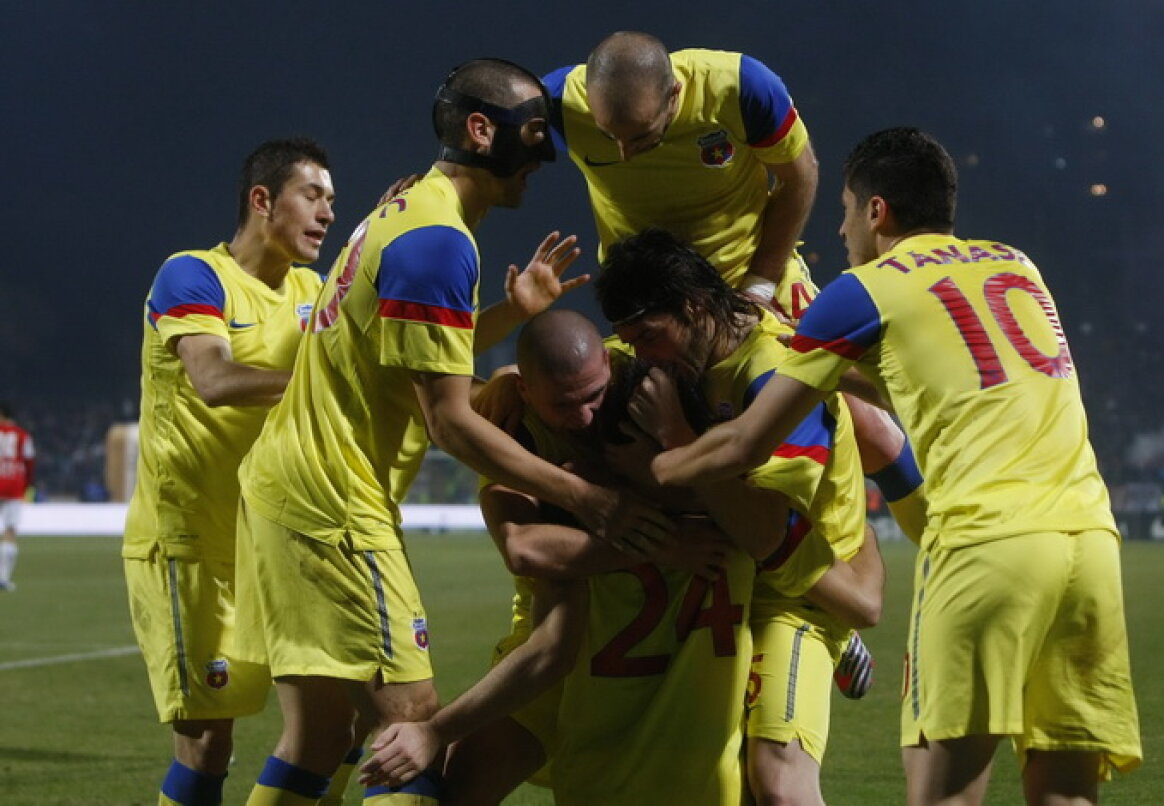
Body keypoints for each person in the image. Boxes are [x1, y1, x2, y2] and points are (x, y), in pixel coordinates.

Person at [643, 128, 1142, 805]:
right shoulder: (1016, 264)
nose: (841, 227)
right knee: (1066, 793)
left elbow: (745, 446)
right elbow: (919, 383)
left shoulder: (860, 291)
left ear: (876, 211)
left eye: (846, 209)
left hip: (985, 542)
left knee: (943, 796)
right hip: (1091, 543)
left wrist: (664, 460)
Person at [233, 60, 670, 806]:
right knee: (412, 725)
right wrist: (588, 498)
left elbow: (414, 356)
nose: (544, 155)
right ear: (480, 130)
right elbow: (450, 422)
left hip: (291, 486)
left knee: (320, 736)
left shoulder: (408, 212)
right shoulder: (438, 242)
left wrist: (513, 314)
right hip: (333, 504)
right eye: (533, 134)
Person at [361, 309, 879, 804]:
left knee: (774, 784)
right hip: (575, 641)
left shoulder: (659, 391)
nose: (583, 416)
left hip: (687, 642)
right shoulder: (517, 429)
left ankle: (831, 628)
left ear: (609, 363)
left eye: (592, 396)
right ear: (527, 392)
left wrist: (665, 462)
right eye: (563, 405)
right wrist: (659, 540)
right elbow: (524, 549)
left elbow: (750, 507)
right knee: (462, 786)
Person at [544, 28, 927, 554]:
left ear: (674, 95)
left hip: (752, 281)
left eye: (642, 136)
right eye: (610, 137)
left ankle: (945, 545)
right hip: (652, 302)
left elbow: (800, 177)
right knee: (623, 425)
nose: (625, 154)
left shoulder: (741, 89)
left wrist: (760, 284)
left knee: (869, 426)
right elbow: (482, 134)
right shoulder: (556, 103)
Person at [597, 229, 885, 806]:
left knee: (777, 782)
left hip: (794, 591)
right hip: (725, 578)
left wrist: (676, 441)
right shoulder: (670, 354)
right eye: (633, 341)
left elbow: (767, 530)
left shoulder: (777, 373)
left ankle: (835, 634)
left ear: (693, 307)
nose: (643, 355)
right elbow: (574, 363)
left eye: (649, 336)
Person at [120, 137, 336, 806]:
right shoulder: (193, 275)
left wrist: (508, 313)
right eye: (313, 195)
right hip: (192, 545)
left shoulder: (311, 290)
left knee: (338, 717)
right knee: (208, 742)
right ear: (262, 199)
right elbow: (213, 379)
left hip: (273, 543)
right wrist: (319, 381)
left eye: (333, 201)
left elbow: (383, 354)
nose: (328, 213)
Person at [0, 402, 35, 591]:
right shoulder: (23, 435)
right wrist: (28, 485)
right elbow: (29, 462)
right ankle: (3, 578)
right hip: (14, 485)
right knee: (10, 531)